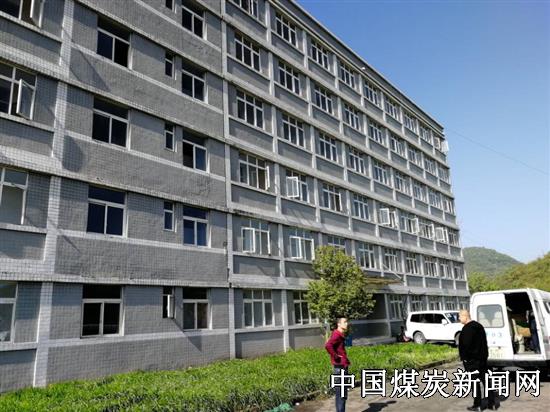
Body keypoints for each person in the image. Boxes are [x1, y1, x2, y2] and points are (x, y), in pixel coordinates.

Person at [458, 309, 499, 411]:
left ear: (465, 316)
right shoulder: (479, 326)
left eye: (460, 316)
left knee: (474, 383)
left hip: (472, 361)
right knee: (486, 381)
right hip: (482, 359)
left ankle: (478, 405)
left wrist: (465, 359)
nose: (459, 319)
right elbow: (484, 343)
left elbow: (466, 345)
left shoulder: (467, 329)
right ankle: (492, 403)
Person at [325, 316, 350, 412]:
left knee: (342, 393)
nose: (347, 324)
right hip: (340, 368)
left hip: (341, 366)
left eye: (347, 322)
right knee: (341, 394)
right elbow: (328, 345)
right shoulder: (337, 334)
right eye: (345, 322)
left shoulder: (339, 334)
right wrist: (335, 356)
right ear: (339, 324)